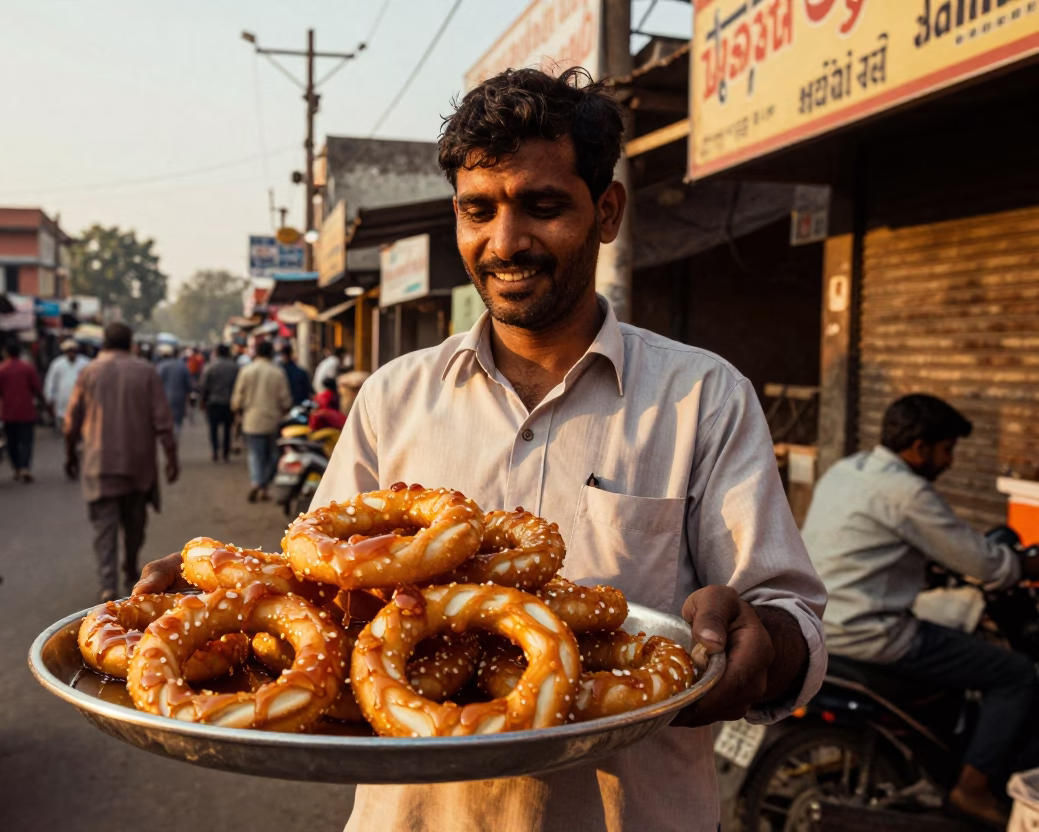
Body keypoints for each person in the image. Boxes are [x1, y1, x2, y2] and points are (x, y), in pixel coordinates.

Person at [137, 67, 825, 832]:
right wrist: (228, 594)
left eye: (542, 206)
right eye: (479, 210)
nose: (506, 242)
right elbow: (316, 592)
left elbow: (790, 616)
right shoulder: (393, 398)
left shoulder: (704, 398)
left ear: (606, 212)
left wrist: (764, 645)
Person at [803, 393, 1039, 826]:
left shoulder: (846, 470)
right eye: (947, 449)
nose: (949, 462)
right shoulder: (908, 492)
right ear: (919, 447)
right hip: (871, 634)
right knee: (1016, 674)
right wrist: (1026, 563)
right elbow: (983, 561)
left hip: (820, 622)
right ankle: (972, 790)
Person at [64, 323, 178, 603]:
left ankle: (108, 583)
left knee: (105, 530)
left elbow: (71, 421)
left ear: (104, 343)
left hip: (98, 465)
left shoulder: (89, 371)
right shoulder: (145, 371)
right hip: (137, 468)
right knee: (134, 526)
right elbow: (163, 421)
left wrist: (69, 455)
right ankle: (130, 572)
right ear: (130, 344)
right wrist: (171, 458)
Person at [230, 340, 291, 503]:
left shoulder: (246, 371)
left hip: (251, 420)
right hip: (272, 420)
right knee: (273, 456)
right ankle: (263, 485)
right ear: (271, 353)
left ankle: (257, 483)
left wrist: (238, 413)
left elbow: (237, 399)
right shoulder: (277, 372)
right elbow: (285, 401)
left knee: (255, 455)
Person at [0, 342, 44, 483]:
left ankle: (17, 467)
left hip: (8, 412)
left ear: (6, 353)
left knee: (11, 441)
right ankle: (25, 467)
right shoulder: (28, 368)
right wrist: (42, 405)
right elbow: (36, 388)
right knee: (26, 441)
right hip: (26, 411)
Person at [202, 344, 239, 463]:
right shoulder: (234, 367)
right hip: (229, 402)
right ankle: (226, 453)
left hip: (213, 402)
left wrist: (202, 401)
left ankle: (215, 451)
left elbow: (204, 386)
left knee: (213, 428)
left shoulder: (210, 367)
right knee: (228, 428)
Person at [43, 339, 90, 432]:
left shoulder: (85, 363)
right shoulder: (57, 364)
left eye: (73, 351)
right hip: (62, 400)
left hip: (81, 399)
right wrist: (49, 397)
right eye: (69, 351)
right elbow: (51, 382)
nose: (71, 353)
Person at [155, 343, 193, 437]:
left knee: (165, 420)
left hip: (163, 398)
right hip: (179, 398)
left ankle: (167, 437)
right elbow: (188, 383)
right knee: (177, 422)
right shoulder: (182, 366)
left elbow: (156, 383)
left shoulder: (161, 366)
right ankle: (174, 439)